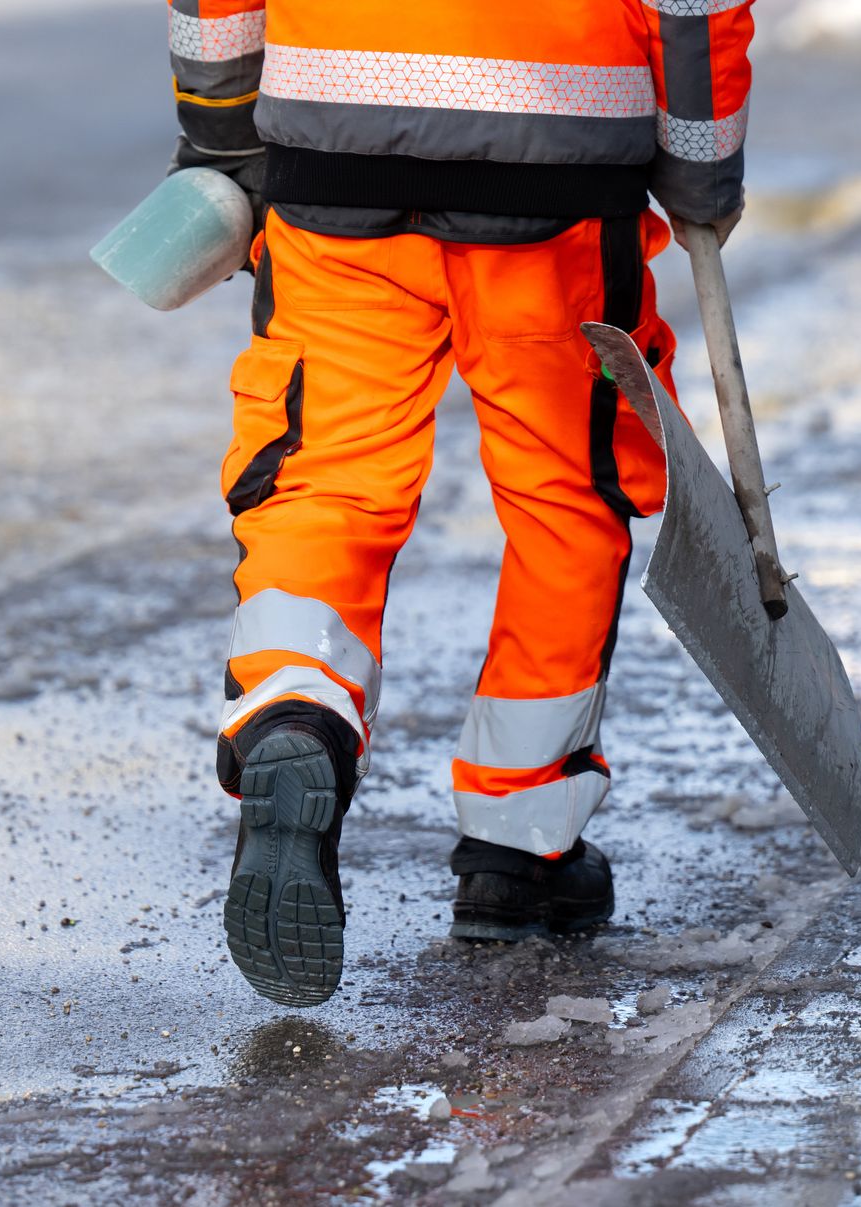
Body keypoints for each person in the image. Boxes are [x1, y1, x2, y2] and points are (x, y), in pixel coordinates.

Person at [165, 0, 752, 1007]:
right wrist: (698, 171)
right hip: (559, 173)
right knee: (563, 496)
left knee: (324, 472)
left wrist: (222, 141)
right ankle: (519, 848)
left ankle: (291, 707)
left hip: (330, 155)